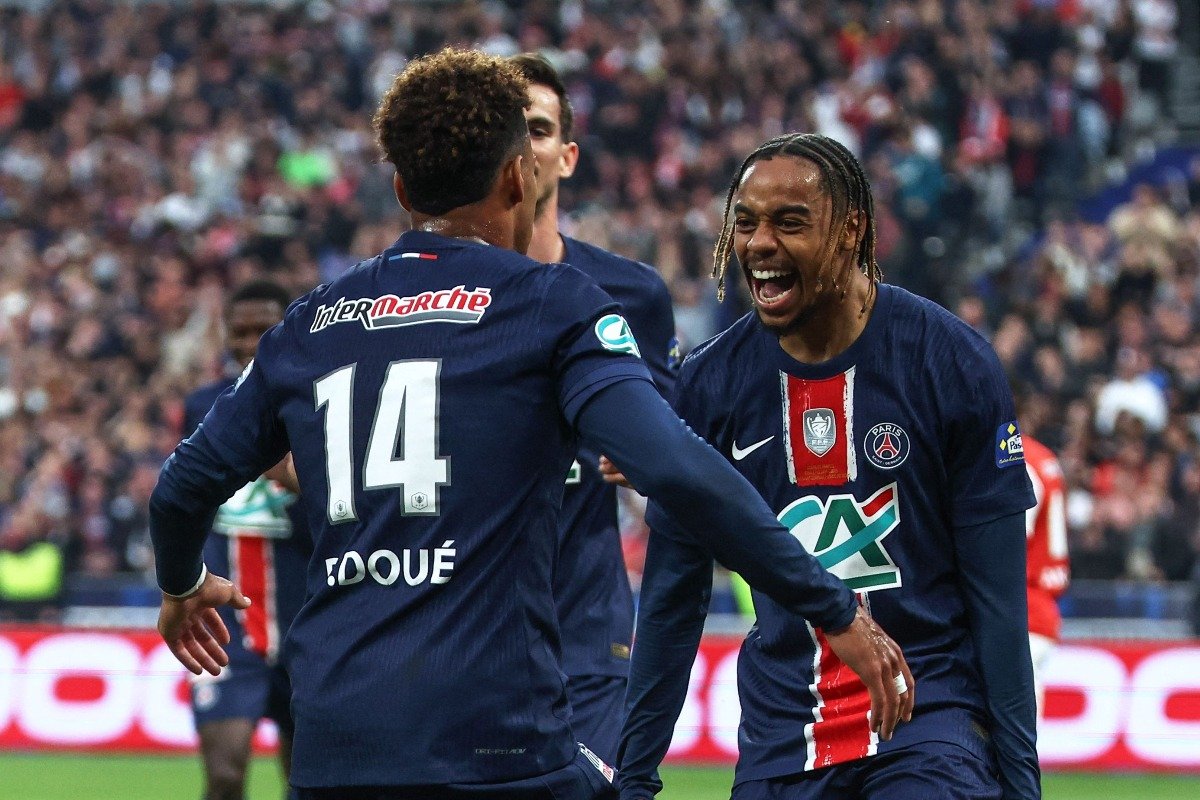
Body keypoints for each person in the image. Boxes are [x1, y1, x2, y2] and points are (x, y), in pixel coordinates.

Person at [148, 50, 911, 800]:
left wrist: (182, 581)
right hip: (499, 741)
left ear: (402, 187)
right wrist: (831, 604)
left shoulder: (312, 322)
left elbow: (180, 489)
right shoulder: (552, 302)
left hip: (337, 746)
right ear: (519, 176)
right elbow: (676, 466)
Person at [611, 133, 1039, 800]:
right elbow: (672, 600)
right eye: (745, 222)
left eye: (789, 222)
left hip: (927, 727)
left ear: (850, 231)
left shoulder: (950, 361)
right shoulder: (712, 386)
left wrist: (1022, 784)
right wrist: (632, 777)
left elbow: (998, 604)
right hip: (782, 740)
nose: (757, 244)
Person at [508, 52, 677, 766]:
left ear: (568, 156)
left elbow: (669, 457)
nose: (522, 145)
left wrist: (639, 463)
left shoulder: (630, 295)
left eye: (539, 129)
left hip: (587, 629)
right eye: (504, 127)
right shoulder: (428, 295)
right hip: (461, 627)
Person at [183, 279, 310, 800]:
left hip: (306, 618)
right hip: (227, 626)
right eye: (240, 331)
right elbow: (183, 502)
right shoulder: (203, 406)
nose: (251, 342)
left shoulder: (318, 405)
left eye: (265, 329)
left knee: (307, 780)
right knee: (226, 773)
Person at [1020, 432, 1070, 720]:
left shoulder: (1013, 457)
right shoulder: (1042, 455)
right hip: (1040, 603)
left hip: (1020, 603)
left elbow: (1010, 540)